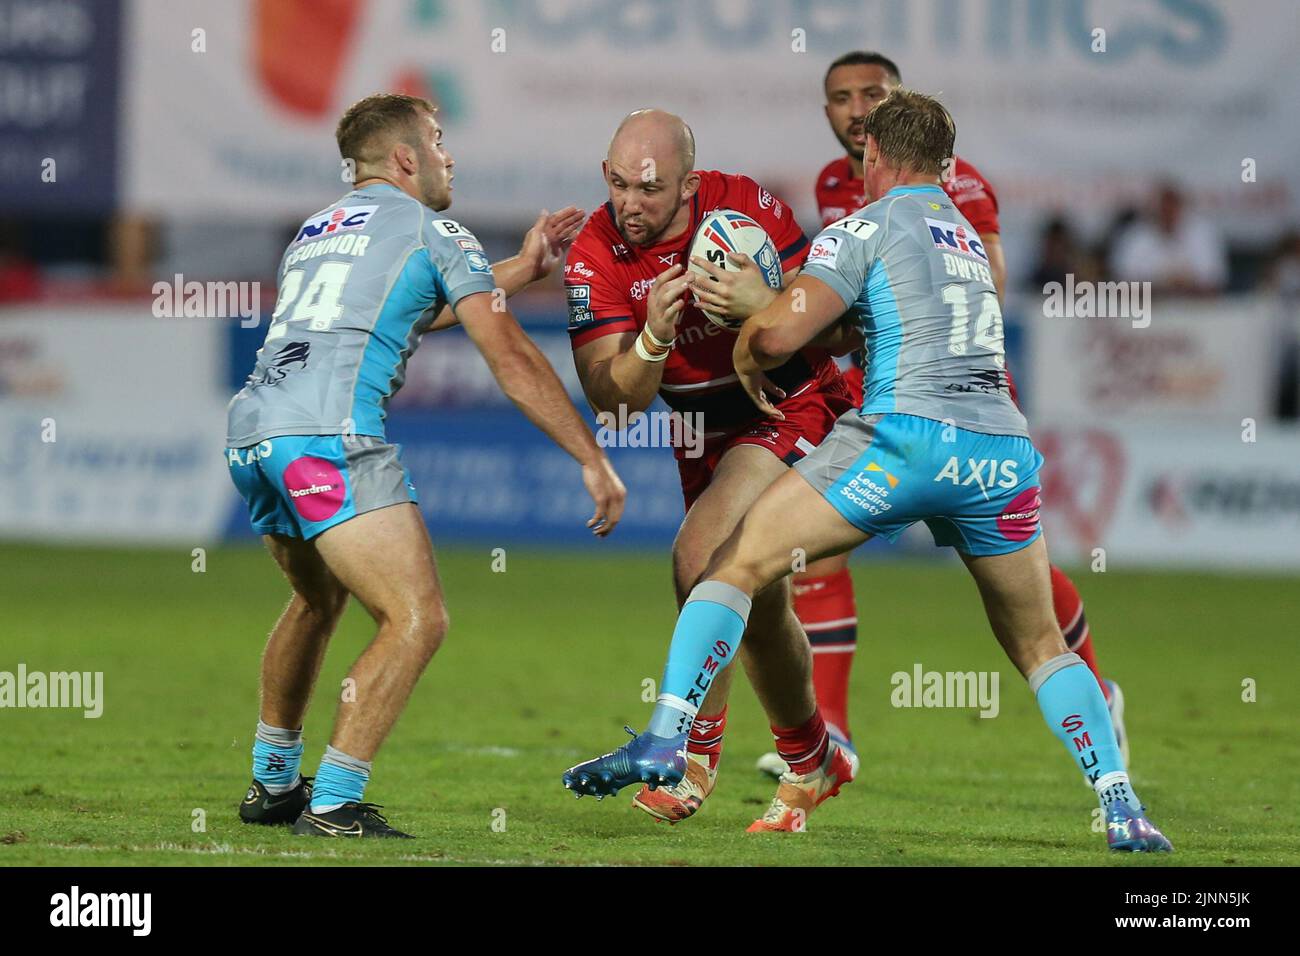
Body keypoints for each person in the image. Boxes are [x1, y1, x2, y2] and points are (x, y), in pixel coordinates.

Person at [566, 89, 1172, 852]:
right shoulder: (968, 239)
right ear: (945, 166)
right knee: (1042, 646)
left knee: (735, 561)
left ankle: (669, 738)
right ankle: (1120, 804)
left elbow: (780, 335)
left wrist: (757, 319)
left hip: (902, 441)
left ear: (873, 159)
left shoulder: (861, 226)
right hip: (999, 453)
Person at [226, 93, 625, 838]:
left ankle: (274, 784)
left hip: (255, 432)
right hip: (329, 439)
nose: (449, 157)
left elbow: (401, 309)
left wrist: (520, 267)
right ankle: (337, 803)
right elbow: (507, 355)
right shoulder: (432, 228)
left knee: (317, 602)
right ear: (406, 158)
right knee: (416, 618)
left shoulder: (317, 231)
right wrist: (591, 455)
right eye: (439, 142)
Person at [743, 51, 1129, 781]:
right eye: (840, 98)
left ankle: (1098, 690)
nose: (856, 110)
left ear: (897, 108)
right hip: (879, 396)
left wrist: (798, 313)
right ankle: (836, 739)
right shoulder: (834, 186)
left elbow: (983, 283)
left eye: (871, 95)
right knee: (815, 553)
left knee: (1016, 577)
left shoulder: (957, 180)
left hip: (957, 397)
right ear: (825, 112)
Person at [560, 109, 858, 828]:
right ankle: (813, 756)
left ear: (690, 185)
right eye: (620, 185)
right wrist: (655, 339)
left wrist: (763, 310)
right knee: (756, 605)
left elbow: (837, 318)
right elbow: (615, 401)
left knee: (700, 559)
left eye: (651, 190)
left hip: (788, 405)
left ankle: (690, 758)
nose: (631, 204)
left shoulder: (746, 210)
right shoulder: (592, 254)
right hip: (701, 436)